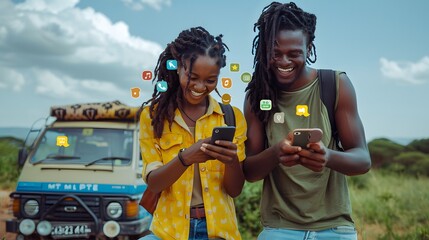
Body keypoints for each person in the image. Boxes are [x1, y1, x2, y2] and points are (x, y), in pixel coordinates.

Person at [243, 2, 371, 240]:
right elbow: (249, 171)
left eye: (294, 54)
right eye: (275, 53)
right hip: (279, 229)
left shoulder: (335, 85)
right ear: (263, 51)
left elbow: (363, 159)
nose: (284, 62)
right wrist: (275, 154)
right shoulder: (257, 97)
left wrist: (328, 157)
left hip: (334, 229)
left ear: (309, 47)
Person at [139, 26, 246, 240]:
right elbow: (154, 183)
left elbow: (234, 191)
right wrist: (186, 157)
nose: (199, 86)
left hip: (218, 232)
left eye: (210, 80)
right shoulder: (152, 117)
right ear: (178, 68)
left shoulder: (231, 117)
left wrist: (232, 161)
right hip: (169, 231)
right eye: (193, 76)